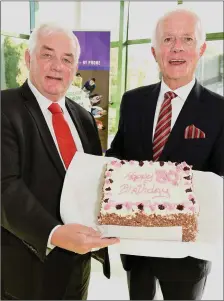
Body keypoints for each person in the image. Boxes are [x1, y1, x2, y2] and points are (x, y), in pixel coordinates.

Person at [106, 8, 224, 300]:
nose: (177, 47)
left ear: (201, 49)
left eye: (187, 39)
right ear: (154, 51)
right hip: (137, 247)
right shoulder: (133, 101)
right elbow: (117, 155)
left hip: (187, 251)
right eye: (168, 39)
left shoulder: (218, 110)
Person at [1, 23, 119, 300]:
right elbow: (5, 187)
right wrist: (54, 233)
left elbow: (93, 181)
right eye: (47, 55)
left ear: (75, 67)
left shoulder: (84, 118)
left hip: (78, 267)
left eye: (67, 59)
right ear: (29, 59)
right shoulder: (5, 109)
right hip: (26, 268)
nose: (57, 66)